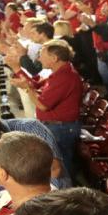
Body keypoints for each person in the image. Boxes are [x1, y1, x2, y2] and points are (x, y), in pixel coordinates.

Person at [10, 40, 84, 177]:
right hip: (57, 127)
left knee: (60, 168)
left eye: (41, 55)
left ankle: (67, 189)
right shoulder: (59, 72)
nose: (38, 59)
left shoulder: (65, 77)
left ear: (54, 58)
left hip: (61, 129)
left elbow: (42, 105)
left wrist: (27, 89)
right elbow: (35, 85)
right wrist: (17, 70)